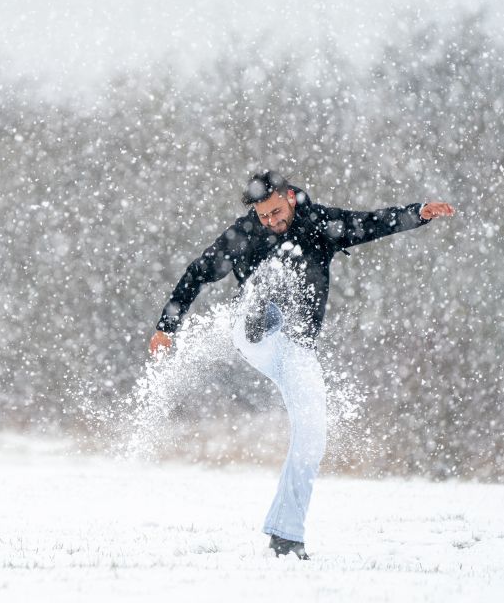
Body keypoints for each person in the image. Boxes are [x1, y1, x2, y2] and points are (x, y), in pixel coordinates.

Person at [149, 171, 454, 559]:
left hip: (296, 347)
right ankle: (263, 308)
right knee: (273, 278)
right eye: (264, 217)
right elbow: (198, 272)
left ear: (290, 197)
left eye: (276, 213)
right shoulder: (244, 233)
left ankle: (286, 536)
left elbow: (370, 223)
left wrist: (419, 212)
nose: (272, 222)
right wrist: (166, 328)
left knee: (312, 440)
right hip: (254, 335)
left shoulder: (320, 224)